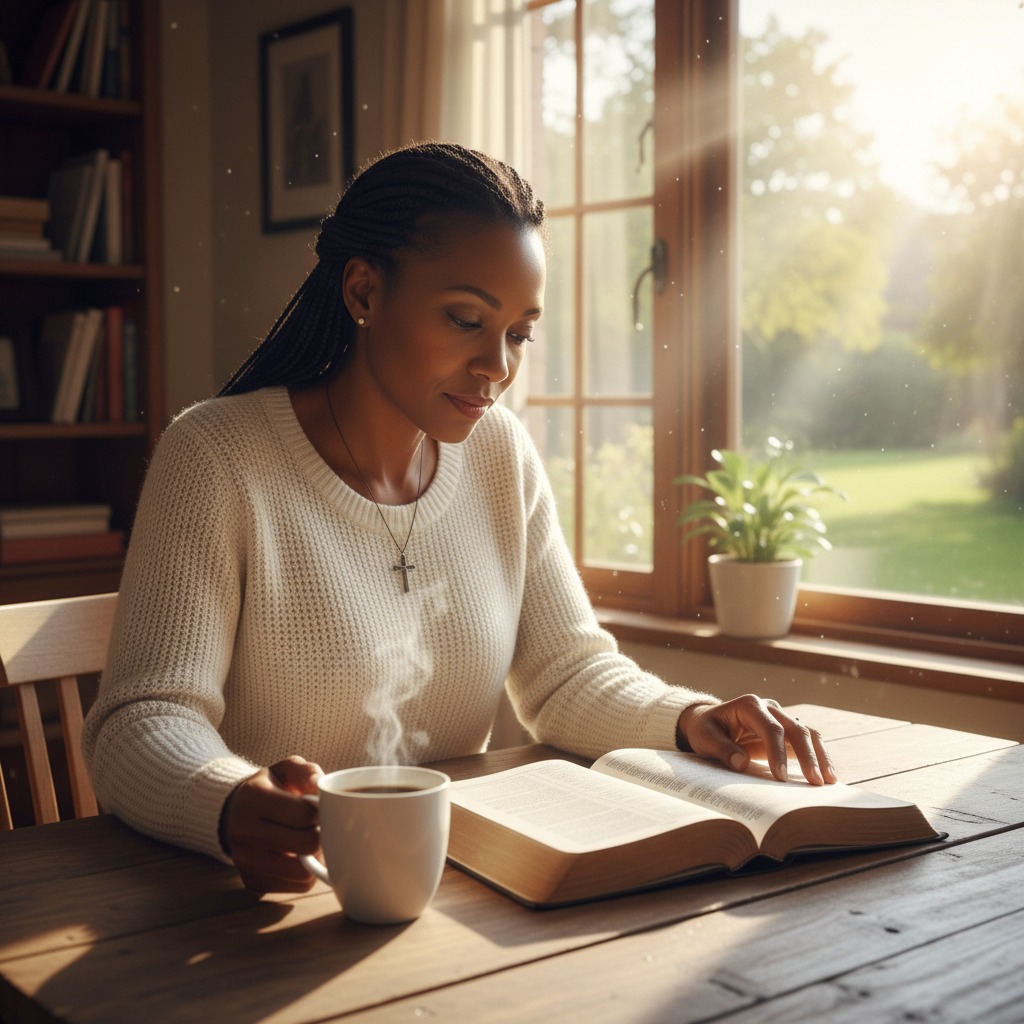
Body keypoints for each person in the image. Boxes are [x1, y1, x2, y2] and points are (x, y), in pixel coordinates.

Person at [83, 142, 835, 895]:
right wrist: (228, 802)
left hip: (446, 893)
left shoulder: (499, 454)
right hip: (250, 906)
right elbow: (142, 717)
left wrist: (689, 716)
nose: (497, 367)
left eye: (518, 333)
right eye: (465, 318)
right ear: (365, 293)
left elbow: (565, 674)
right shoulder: (216, 457)